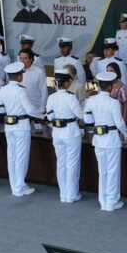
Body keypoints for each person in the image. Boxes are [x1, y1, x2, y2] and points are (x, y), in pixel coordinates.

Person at [83, 71, 127, 212]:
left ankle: (103, 201)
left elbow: (87, 120)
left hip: (98, 139)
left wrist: (97, 121)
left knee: (102, 171)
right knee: (112, 171)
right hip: (111, 139)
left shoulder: (91, 100)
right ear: (111, 87)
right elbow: (120, 123)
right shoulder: (114, 102)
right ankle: (112, 201)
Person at [0, 62, 41, 196]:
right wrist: (41, 114)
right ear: (19, 76)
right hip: (21, 125)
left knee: (12, 156)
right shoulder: (21, 90)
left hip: (9, 125)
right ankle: (20, 187)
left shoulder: (3, 89)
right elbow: (29, 109)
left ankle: (14, 185)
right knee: (21, 156)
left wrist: (8, 111)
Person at [46, 71, 84, 203]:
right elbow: (80, 115)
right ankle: (72, 195)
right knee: (72, 164)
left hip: (57, 132)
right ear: (67, 83)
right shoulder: (71, 97)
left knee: (61, 163)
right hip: (71, 132)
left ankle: (63, 194)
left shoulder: (52, 97)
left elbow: (49, 117)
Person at [18, 48, 48, 120]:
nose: (22, 61)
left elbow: (44, 92)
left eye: (25, 58)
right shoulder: (17, 71)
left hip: (35, 109)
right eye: (20, 58)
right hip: (20, 109)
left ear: (31, 59)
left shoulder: (39, 72)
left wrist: (42, 109)